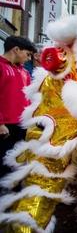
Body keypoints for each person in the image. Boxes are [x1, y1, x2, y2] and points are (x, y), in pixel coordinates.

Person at [0, 36, 37, 178]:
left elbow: (28, 99)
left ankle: (12, 193)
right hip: (5, 127)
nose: (28, 58)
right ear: (16, 50)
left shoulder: (25, 73)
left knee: (17, 163)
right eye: (27, 54)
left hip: (21, 125)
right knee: (2, 163)